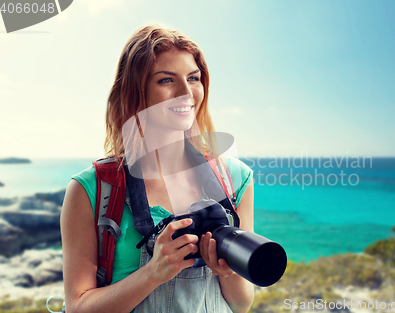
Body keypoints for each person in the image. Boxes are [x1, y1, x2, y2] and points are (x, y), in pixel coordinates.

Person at [60, 24, 255, 313]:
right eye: (166, 80)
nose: (186, 92)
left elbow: (240, 303)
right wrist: (153, 273)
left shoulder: (235, 179)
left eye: (194, 78)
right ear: (136, 91)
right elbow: (78, 307)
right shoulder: (93, 188)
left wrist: (224, 269)